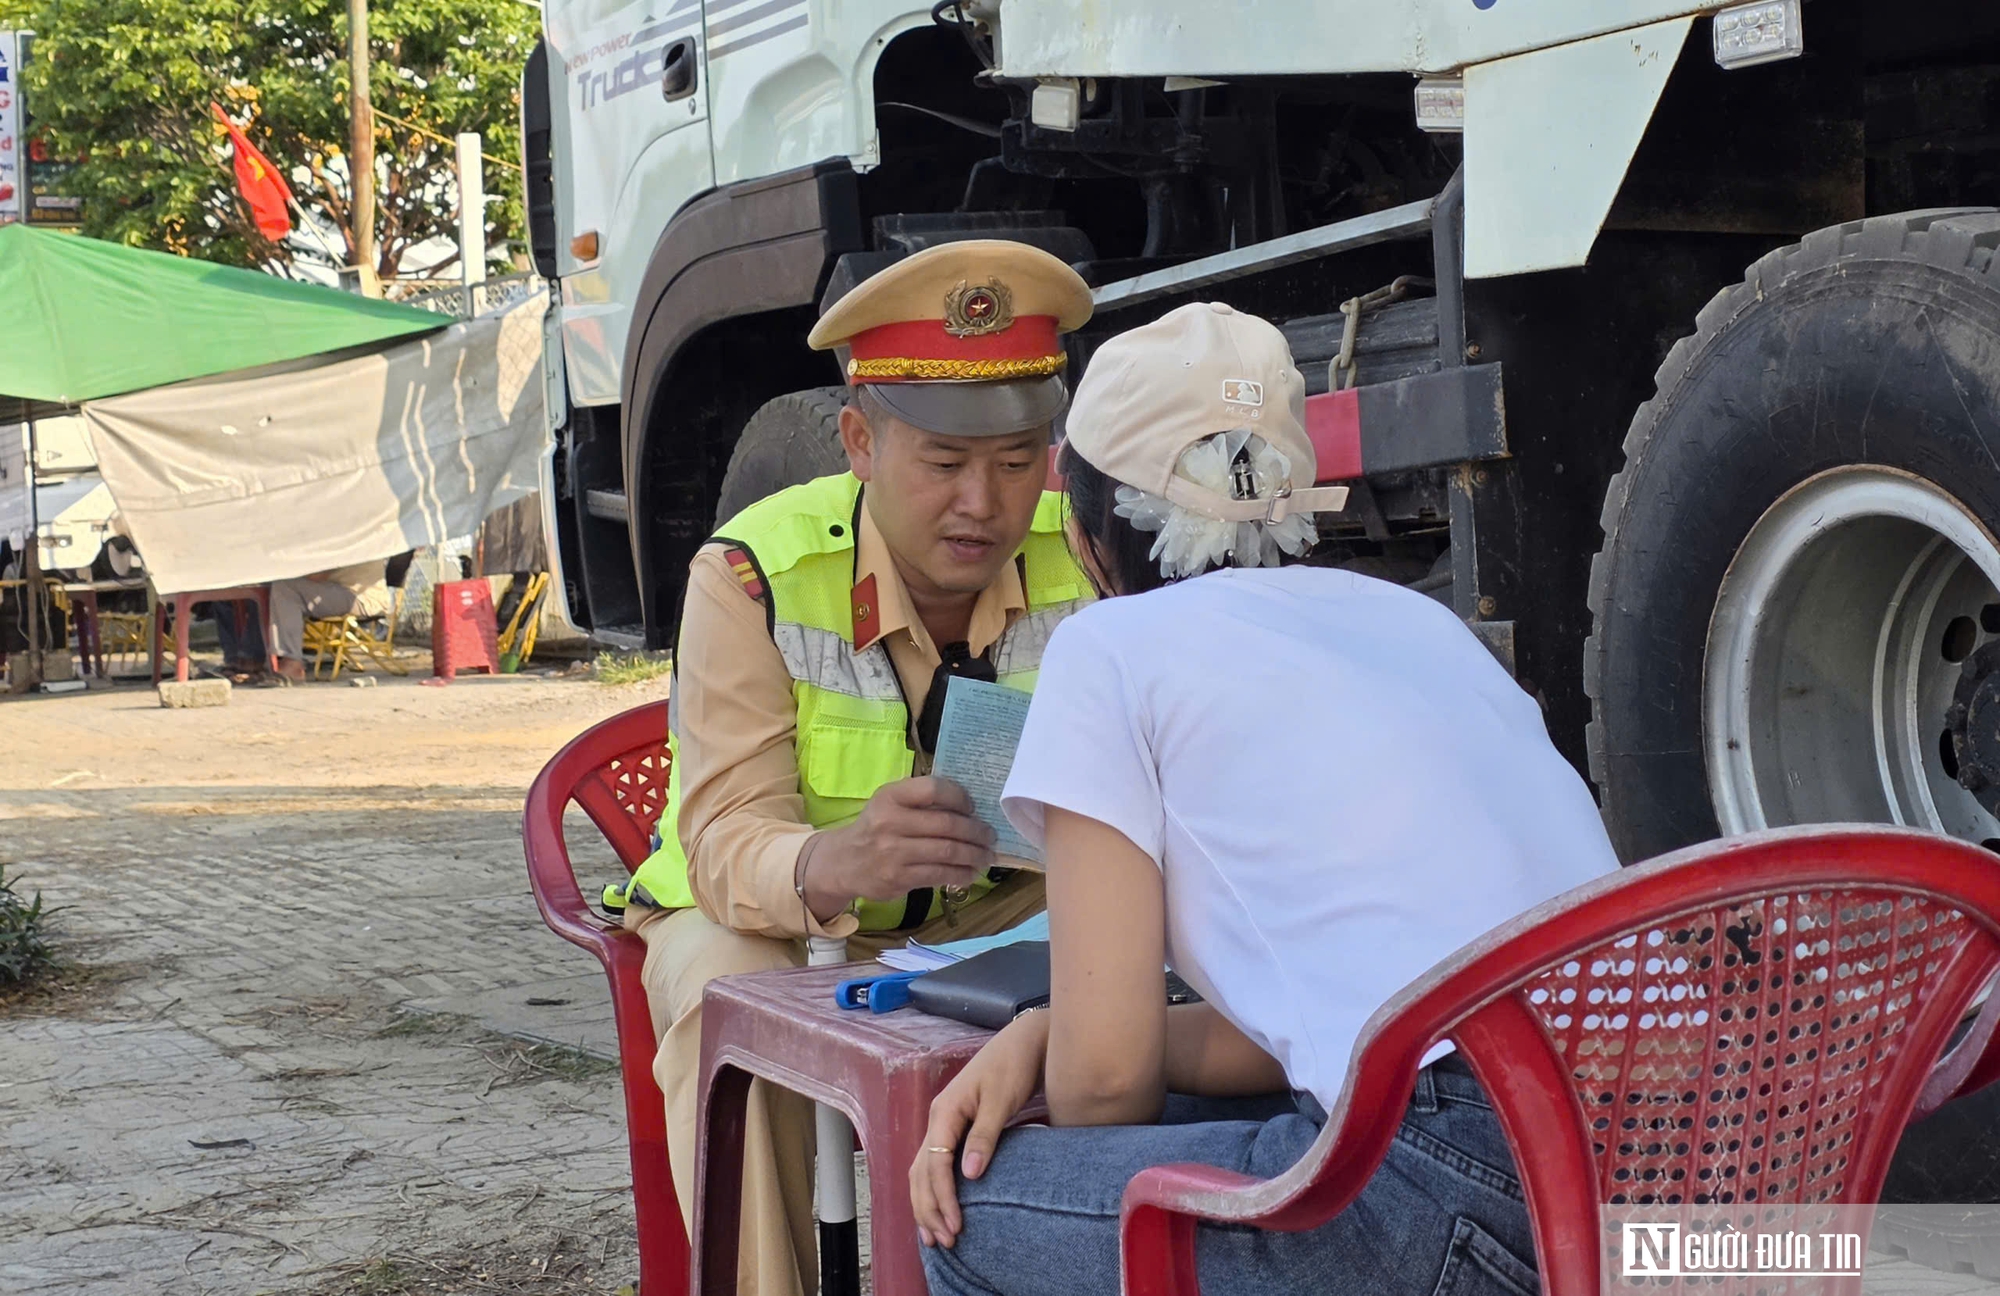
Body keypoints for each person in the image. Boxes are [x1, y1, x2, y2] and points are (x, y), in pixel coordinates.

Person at [907, 302, 1622, 1296]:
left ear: (1081, 528)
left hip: (1474, 1185)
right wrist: (1041, 1034)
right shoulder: (1418, 625)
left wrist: (1064, 1044)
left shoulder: (1108, 652)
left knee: (965, 1215)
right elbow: (1334, 1015)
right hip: (1692, 1167)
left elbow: (1104, 1088)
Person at [606, 240, 1096, 1296]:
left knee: (1163, 977)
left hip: (1001, 913)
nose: (984, 503)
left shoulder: (1085, 553)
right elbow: (727, 835)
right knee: (734, 1008)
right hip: (769, 916)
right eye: (944, 462)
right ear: (859, 442)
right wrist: (838, 859)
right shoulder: (752, 573)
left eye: (1017, 461)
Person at [266, 560, 392, 682]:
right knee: (282, 587)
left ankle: (292, 663)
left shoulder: (341, 539)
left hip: (361, 597)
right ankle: (261, 660)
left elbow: (317, 575)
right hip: (344, 591)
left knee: (284, 587)